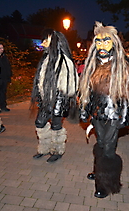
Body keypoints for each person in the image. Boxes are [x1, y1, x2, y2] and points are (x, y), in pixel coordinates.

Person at [79, 22, 129, 198]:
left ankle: (105, 183)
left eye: (106, 41)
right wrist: (84, 109)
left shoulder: (124, 66)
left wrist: (126, 115)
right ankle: (98, 171)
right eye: (98, 41)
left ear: (114, 43)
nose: (101, 45)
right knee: (100, 145)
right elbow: (86, 91)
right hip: (97, 114)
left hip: (114, 115)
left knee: (108, 149)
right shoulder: (92, 64)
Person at [31, 29, 79, 163]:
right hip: (46, 101)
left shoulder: (64, 61)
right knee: (39, 123)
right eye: (43, 40)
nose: (43, 43)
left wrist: (58, 106)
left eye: (47, 40)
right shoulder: (46, 58)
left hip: (58, 101)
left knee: (56, 126)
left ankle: (57, 150)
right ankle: (44, 147)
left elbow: (67, 86)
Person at [0, 43, 12, 113]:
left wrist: (9, 76)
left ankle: (3, 106)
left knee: (3, 92)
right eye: (0, 48)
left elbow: (7, 67)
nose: (2, 49)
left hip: (4, 78)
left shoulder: (4, 57)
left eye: (2, 48)